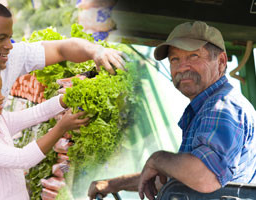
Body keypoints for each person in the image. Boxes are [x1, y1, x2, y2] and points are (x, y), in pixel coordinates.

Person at [0, 0, 126, 197]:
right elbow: (22, 159)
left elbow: (61, 49)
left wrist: (96, 51)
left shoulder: (7, 60)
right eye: (0, 38)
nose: (9, 46)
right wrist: (60, 128)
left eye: (9, 37)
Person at [88, 21, 256, 200]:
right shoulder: (203, 110)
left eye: (193, 56)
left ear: (221, 62)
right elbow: (178, 178)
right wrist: (112, 185)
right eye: (175, 59)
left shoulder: (222, 106)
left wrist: (157, 159)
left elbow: (205, 177)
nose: (182, 67)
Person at [0, 61, 89, 200]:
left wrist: (66, 98)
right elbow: (23, 158)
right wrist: (61, 128)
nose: (1, 97)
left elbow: (37, 113)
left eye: (0, 90)